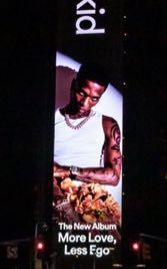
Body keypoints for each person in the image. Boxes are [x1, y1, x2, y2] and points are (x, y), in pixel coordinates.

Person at [51, 64, 122, 223]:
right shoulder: (51, 120)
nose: (85, 102)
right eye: (81, 93)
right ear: (73, 85)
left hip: (93, 208)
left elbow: (113, 176)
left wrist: (66, 171)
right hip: (57, 206)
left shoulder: (107, 124)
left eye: (94, 98)